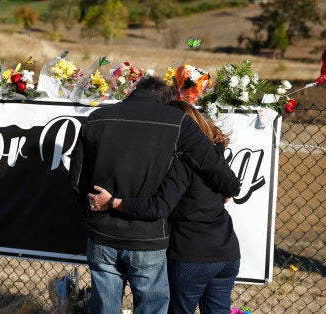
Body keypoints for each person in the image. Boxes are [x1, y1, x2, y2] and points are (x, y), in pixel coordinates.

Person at [69, 78, 240, 313]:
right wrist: (231, 189)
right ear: (165, 99)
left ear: (134, 91)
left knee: (105, 306)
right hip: (148, 237)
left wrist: (94, 214)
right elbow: (212, 166)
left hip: (103, 233)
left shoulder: (97, 118)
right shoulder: (178, 122)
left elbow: (77, 179)